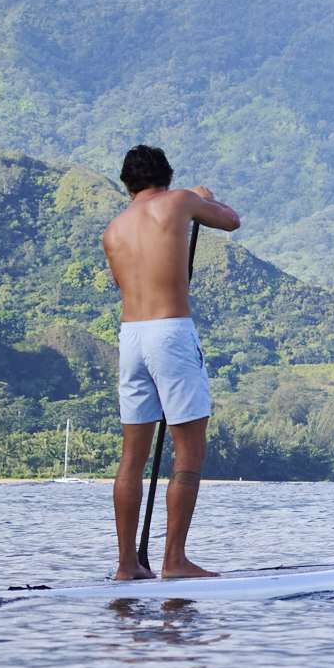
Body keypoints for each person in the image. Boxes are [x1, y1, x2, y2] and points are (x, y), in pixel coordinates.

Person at [102, 144, 242, 582]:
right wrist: (205, 198)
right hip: (171, 332)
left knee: (132, 457)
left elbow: (122, 281)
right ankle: (174, 560)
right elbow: (231, 221)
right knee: (189, 448)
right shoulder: (179, 200)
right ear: (166, 178)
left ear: (128, 186)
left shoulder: (113, 230)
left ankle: (127, 565)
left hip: (130, 337)